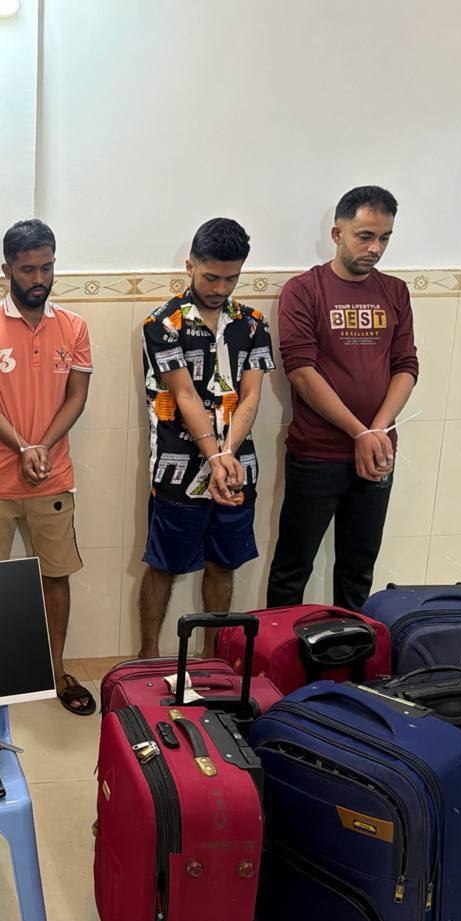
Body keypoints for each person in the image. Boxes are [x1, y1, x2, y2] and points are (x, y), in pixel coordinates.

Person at [0, 219, 95, 715]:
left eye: (46, 268)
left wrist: (42, 445)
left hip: (52, 475)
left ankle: (55, 671)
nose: (39, 279)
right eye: (27, 269)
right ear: (7, 270)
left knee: (55, 577)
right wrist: (21, 446)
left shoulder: (74, 326)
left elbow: (77, 396)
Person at [266, 185, 419, 612]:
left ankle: (353, 651)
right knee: (293, 567)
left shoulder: (395, 292)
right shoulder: (304, 289)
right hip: (318, 453)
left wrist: (377, 430)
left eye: (384, 238)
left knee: (358, 569)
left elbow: (406, 365)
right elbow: (301, 370)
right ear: (337, 234)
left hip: (378, 452)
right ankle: (279, 650)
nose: (375, 248)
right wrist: (358, 431)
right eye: (365, 236)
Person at [136, 218, 275, 658]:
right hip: (178, 467)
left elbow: (251, 396)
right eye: (211, 277)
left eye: (231, 278)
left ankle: (215, 660)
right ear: (190, 265)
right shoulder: (163, 323)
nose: (220, 288)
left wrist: (227, 454)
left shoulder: (253, 324)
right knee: (164, 565)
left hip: (237, 467)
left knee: (223, 563)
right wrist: (214, 457)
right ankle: (147, 657)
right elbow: (184, 395)